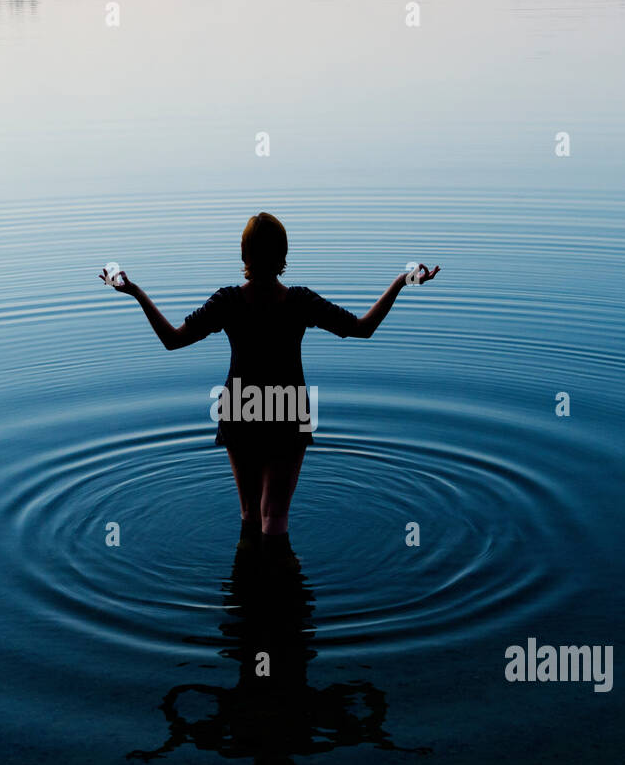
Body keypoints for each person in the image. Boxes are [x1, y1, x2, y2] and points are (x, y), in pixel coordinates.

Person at [102, 211, 439, 541]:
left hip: (240, 407)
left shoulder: (228, 301)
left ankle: (247, 589)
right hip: (287, 408)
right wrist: (400, 282)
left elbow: (172, 340)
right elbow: (363, 329)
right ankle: (280, 588)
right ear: (284, 255)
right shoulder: (300, 301)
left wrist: (137, 293)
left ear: (244, 254)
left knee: (250, 514)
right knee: (275, 516)